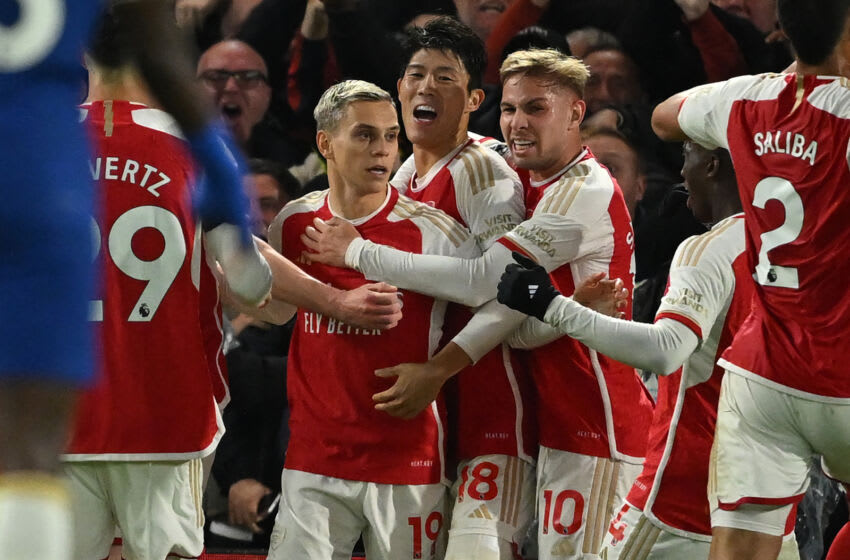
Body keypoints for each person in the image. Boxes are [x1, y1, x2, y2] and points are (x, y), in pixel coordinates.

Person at [303, 48, 653, 560]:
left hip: (596, 424)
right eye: (510, 110)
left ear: (576, 113)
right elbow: (519, 325)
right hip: (544, 417)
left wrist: (356, 251)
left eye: (536, 108)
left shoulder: (583, 191)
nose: (517, 123)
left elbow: (481, 282)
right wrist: (566, 309)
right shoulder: (520, 175)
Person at [0, 2, 265, 558]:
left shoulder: (38, 143)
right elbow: (250, 285)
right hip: (167, 416)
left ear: (80, 50)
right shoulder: (192, 149)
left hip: (61, 411)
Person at [497, 142, 799, 559]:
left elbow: (665, 350)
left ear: (712, 165)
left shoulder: (710, 248)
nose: (680, 174)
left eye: (687, 155)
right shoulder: (807, 251)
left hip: (684, 499)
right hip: (772, 503)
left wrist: (552, 305)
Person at [651, 1, 850, 559]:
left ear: (782, 30)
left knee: (741, 548)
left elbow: (664, 117)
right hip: (842, 374)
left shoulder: (745, 98)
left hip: (763, 375)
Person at [265, 79, 484, 560]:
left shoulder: (435, 230)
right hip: (314, 459)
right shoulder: (293, 222)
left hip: (409, 458)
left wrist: (439, 369)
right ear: (326, 143)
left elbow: (493, 308)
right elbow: (274, 310)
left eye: (390, 136)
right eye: (365, 135)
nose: (382, 149)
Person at [388, 18, 535, 559]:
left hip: (491, 411)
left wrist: (438, 368)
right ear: (399, 89)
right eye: (415, 74)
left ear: (475, 97)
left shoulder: (483, 171)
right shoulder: (402, 176)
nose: (425, 87)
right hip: (430, 414)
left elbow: (508, 290)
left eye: (444, 78)